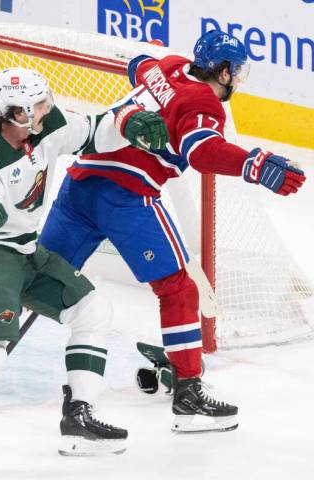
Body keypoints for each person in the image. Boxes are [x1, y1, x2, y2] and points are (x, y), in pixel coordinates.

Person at [0, 67, 170, 478]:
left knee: (91, 310)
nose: (48, 109)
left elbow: (96, 129)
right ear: (16, 113)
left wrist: (129, 122)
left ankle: (79, 417)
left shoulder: (48, 126)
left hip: (28, 253)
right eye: (38, 105)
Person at [39, 30, 307, 434]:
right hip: (126, 196)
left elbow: (138, 65)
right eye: (235, 72)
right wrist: (255, 164)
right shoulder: (204, 102)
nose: (236, 80)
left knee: (35, 278)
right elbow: (203, 152)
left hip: (79, 184)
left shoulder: (169, 66)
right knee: (178, 288)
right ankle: (188, 393)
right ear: (222, 71)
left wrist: (157, 93)